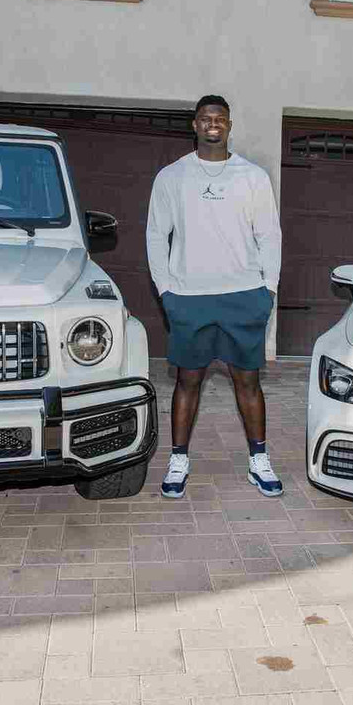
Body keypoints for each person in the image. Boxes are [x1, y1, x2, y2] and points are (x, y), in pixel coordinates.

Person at [145, 94, 283, 499]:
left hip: (243, 294)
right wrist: (166, 290)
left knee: (248, 381)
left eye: (219, 118)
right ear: (194, 124)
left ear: (229, 124)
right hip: (190, 296)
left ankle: (259, 461)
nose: (212, 124)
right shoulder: (172, 177)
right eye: (205, 118)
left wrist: (268, 288)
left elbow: (269, 236)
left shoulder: (252, 176)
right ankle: (178, 460)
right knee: (189, 381)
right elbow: (156, 235)